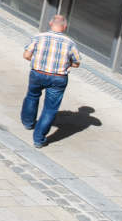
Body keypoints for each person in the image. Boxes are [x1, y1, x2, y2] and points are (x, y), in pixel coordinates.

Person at [20, 14, 81, 148]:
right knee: (50, 109)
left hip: (38, 73)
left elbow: (26, 55)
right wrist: (67, 64)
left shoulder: (38, 37)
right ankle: (38, 139)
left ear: (50, 24)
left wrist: (37, 62)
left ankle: (28, 123)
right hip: (58, 78)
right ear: (65, 27)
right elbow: (77, 63)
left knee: (32, 96)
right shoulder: (70, 43)